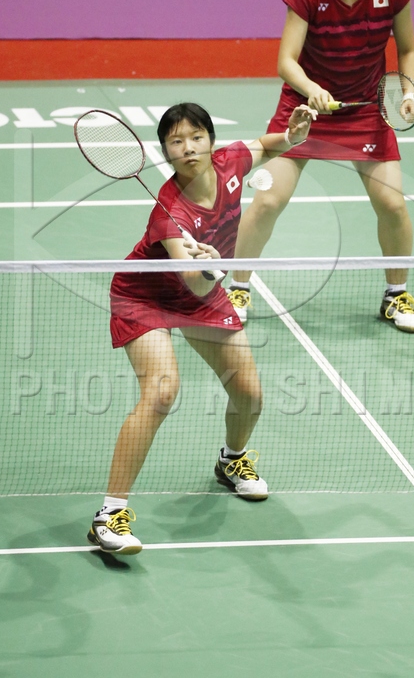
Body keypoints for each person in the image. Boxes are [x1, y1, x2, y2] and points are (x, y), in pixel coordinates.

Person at [87, 101, 315, 555]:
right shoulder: (169, 211)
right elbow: (193, 280)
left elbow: (267, 144)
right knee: (162, 391)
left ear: (212, 141)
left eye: (196, 137)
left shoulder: (231, 162)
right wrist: (210, 266)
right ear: (165, 152)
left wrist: (293, 135)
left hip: (200, 297)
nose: (188, 148)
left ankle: (231, 460)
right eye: (176, 142)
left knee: (249, 394)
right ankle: (108, 515)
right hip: (145, 297)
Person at [227, 0, 414, 333]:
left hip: (364, 110)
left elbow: (408, 50)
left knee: (393, 205)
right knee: (267, 201)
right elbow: (286, 61)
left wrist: (408, 92)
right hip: (305, 111)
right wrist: (312, 90)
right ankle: (237, 287)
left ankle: (396, 294)